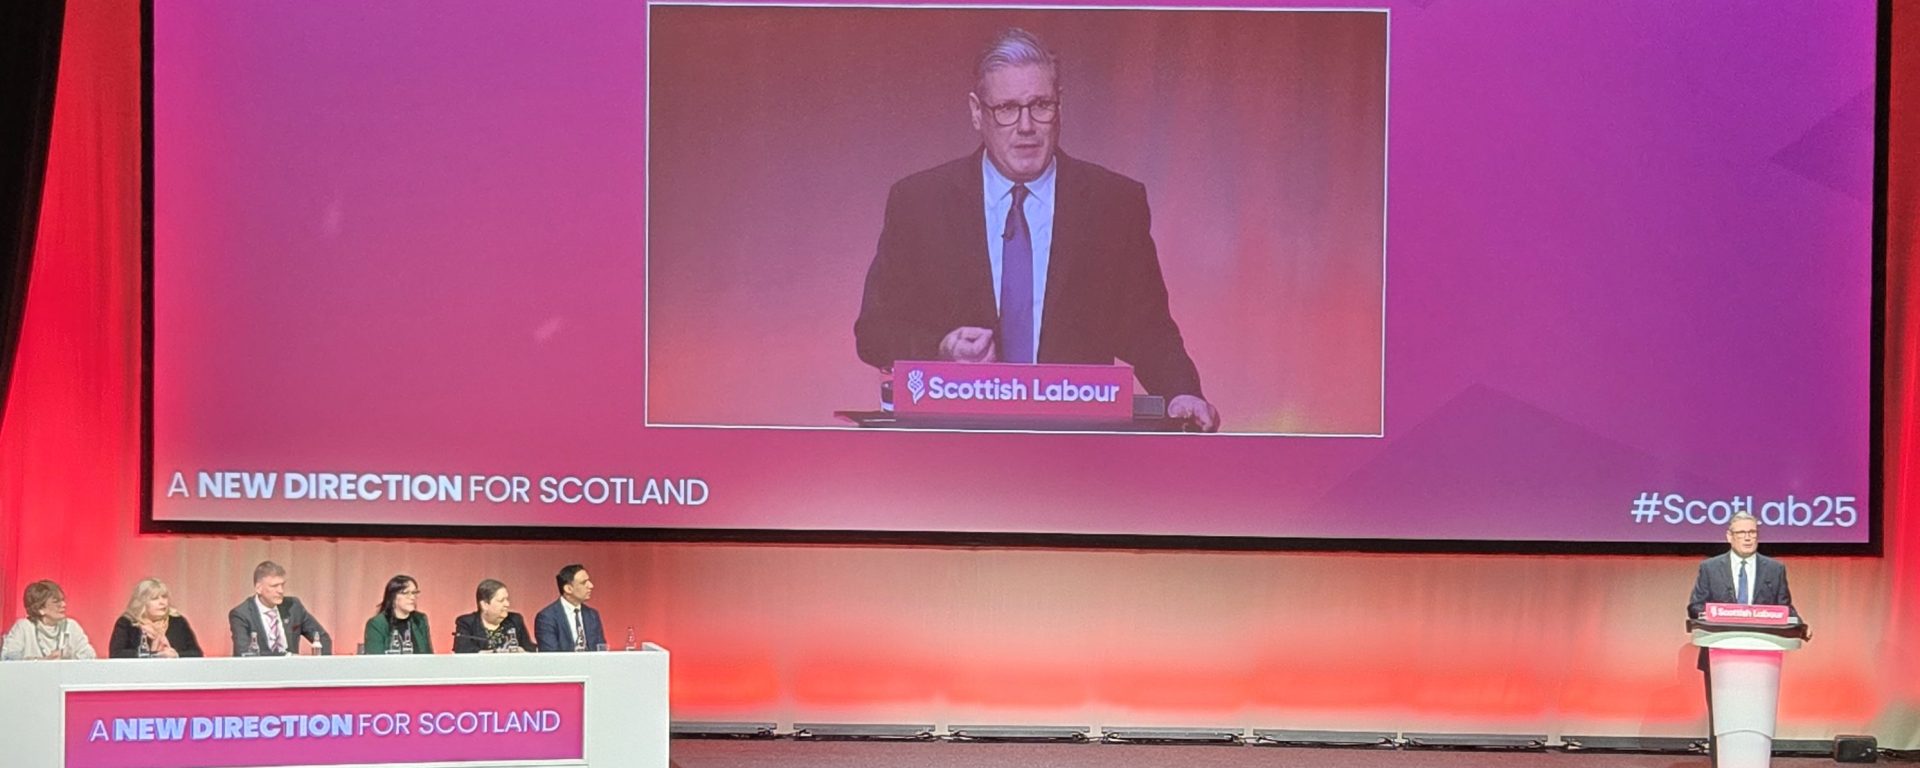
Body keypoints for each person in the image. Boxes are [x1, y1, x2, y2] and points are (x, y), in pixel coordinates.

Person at [854, 27, 1220, 432]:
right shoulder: (920, 202)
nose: (1026, 125)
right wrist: (940, 348)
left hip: (1076, 449)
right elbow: (874, 332)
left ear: (1059, 106)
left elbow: (1147, 327)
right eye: (1007, 108)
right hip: (954, 448)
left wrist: (1182, 391)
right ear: (977, 112)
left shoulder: (1114, 204)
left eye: (1040, 105)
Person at [1686, 511, 1805, 767]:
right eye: (1742, 533)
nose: (1748, 538)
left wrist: (1801, 625)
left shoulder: (1775, 568)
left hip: (1762, 661)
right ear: (1729, 536)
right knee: (1723, 717)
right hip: (1721, 657)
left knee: (1755, 715)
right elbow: (1695, 606)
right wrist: (1715, 615)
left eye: (1752, 533)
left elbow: (1785, 608)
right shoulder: (1709, 568)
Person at [227, 560, 332, 656]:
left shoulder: (293, 606)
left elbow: (322, 638)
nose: (281, 590)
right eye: (274, 586)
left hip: (293, 672)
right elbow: (243, 652)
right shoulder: (241, 614)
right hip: (259, 673)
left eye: (282, 585)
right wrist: (286, 657)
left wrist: (321, 667)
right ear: (258, 588)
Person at [108, 577, 203, 658]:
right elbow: (116, 654)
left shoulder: (178, 621)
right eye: (155, 599)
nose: (162, 602)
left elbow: (196, 653)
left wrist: (176, 655)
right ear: (142, 602)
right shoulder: (127, 623)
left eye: (164, 597)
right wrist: (153, 655)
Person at [1, 580, 96, 660]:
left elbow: (90, 655)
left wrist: (67, 655)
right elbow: (8, 657)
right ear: (40, 609)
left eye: (63, 600)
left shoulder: (71, 626)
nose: (63, 605)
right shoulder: (24, 627)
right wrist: (42, 662)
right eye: (56, 602)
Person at [535, 564, 605, 652]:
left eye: (589, 581)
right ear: (568, 589)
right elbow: (551, 655)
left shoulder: (592, 615)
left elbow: (601, 649)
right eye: (584, 583)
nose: (591, 586)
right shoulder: (547, 617)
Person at [453, 579, 535, 653]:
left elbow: (530, 649)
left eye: (507, 599)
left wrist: (522, 651)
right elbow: (462, 650)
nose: (507, 604)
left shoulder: (515, 620)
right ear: (484, 605)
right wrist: (491, 654)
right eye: (501, 600)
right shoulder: (466, 623)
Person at [362, 575, 432, 655]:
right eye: (406, 593)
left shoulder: (420, 620)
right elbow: (375, 661)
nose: (412, 597)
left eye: (414, 593)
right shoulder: (377, 624)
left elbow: (428, 656)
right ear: (393, 597)